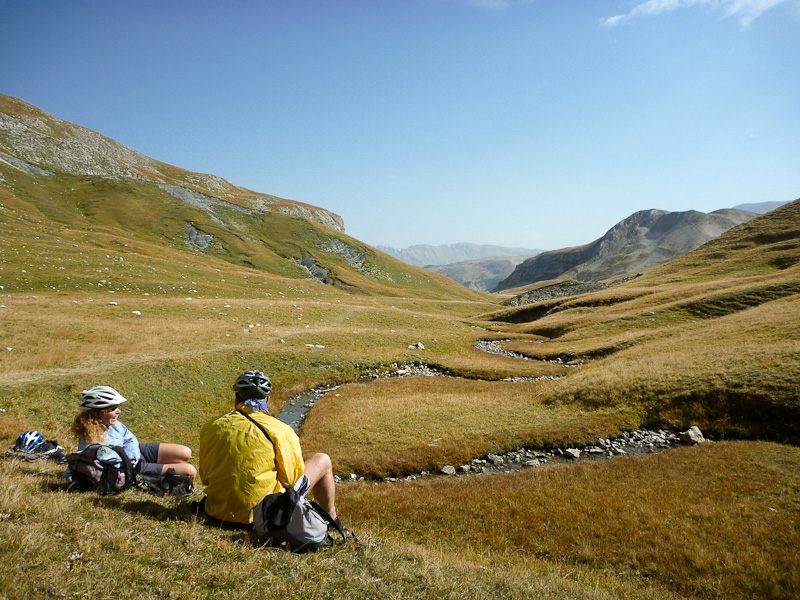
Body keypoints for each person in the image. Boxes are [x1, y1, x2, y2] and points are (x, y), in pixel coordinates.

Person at [199, 370, 343, 531]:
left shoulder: (211, 427)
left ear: (236, 398)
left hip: (216, 512)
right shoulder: (281, 430)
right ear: (267, 399)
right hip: (266, 516)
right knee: (322, 460)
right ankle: (332, 520)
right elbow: (291, 480)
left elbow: (205, 477)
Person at [67, 385, 197, 480]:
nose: (119, 411)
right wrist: (134, 461)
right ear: (97, 413)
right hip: (133, 467)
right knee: (190, 471)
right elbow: (113, 463)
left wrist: (133, 453)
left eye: (117, 407)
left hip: (137, 452)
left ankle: (163, 469)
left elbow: (129, 438)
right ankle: (161, 471)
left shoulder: (113, 424)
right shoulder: (92, 440)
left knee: (186, 452)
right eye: (113, 408)